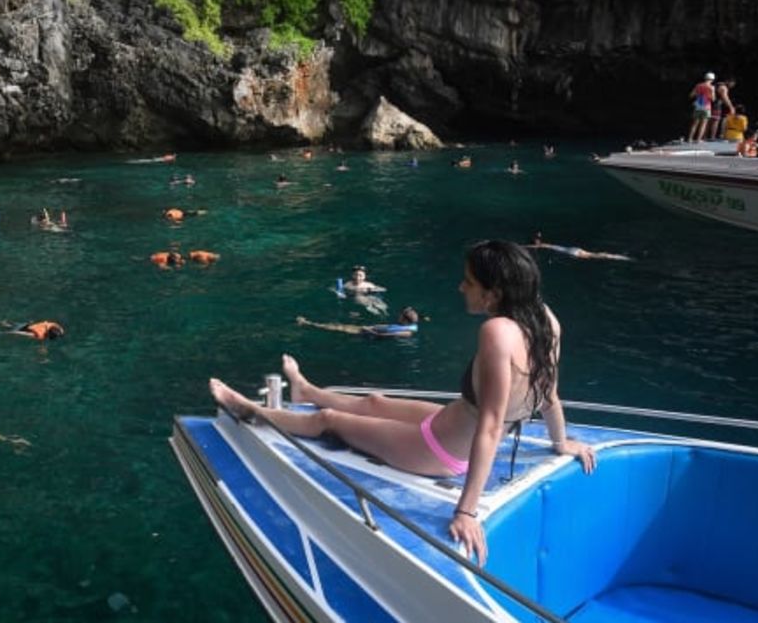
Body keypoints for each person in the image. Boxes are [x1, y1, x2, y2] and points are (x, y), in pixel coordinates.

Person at [208, 240, 597, 566]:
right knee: (374, 401)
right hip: (448, 422)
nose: (461, 288)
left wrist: (466, 511)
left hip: (439, 451)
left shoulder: (497, 331)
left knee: (329, 421)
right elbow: (549, 393)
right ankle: (305, 391)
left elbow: (492, 425)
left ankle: (251, 411)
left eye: (468, 282)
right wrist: (561, 443)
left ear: (493, 293)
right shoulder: (546, 320)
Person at [296, 307, 422, 338]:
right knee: (338, 326)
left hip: (365, 333)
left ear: (405, 320)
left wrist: (369, 330)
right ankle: (309, 323)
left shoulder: (406, 332)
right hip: (367, 329)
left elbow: (384, 336)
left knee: (337, 328)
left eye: (401, 316)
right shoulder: (407, 326)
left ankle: (308, 323)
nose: (398, 316)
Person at [530, 232, 633, 261]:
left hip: (572, 252)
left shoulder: (543, 246)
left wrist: (523, 246)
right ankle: (618, 257)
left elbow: (534, 246)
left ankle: (618, 257)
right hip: (573, 249)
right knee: (595, 255)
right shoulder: (546, 245)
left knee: (596, 256)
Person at [688, 72, 716, 142]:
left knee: (695, 123)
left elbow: (691, 95)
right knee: (703, 123)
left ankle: (689, 138)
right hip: (706, 106)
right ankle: (698, 139)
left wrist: (699, 95)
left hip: (698, 105)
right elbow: (713, 99)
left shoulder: (698, 85)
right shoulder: (711, 87)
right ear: (712, 79)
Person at [0, 318, 65, 341]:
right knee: (9, 327)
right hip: (23, 329)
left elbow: (57, 326)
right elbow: (21, 333)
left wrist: (61, 332)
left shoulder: (50, 325)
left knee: (9, 325)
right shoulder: (39, 335)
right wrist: (5, 333)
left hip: (27, 324)